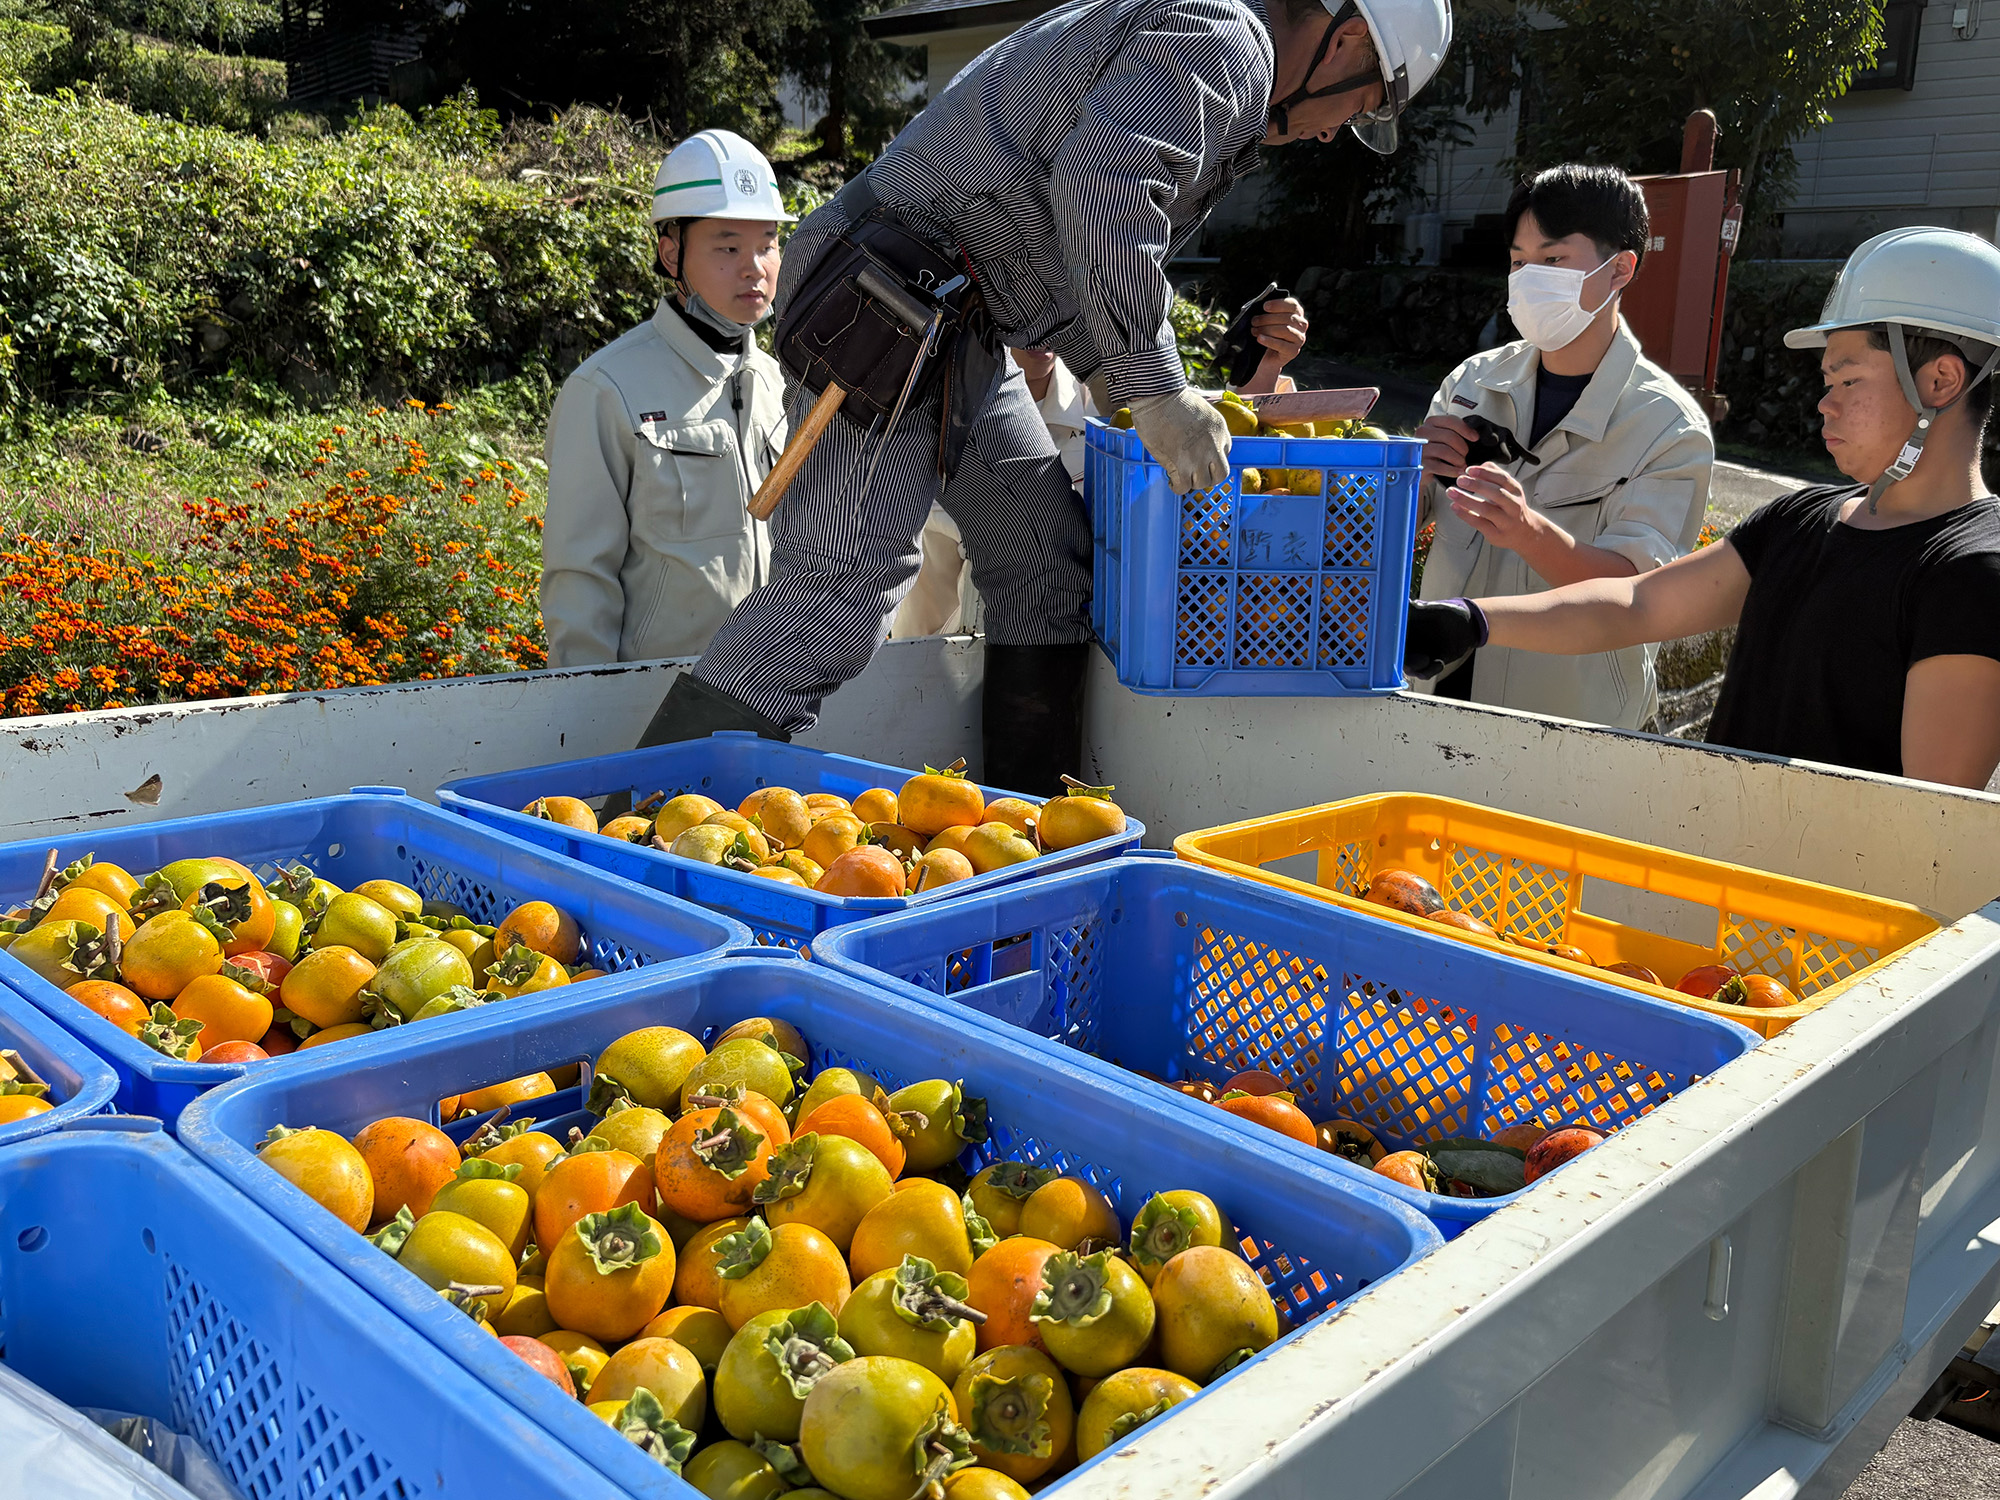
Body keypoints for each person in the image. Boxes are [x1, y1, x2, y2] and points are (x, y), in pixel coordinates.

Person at [635, 0, 1455, 796]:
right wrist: (1156, 388)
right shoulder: (1227, 39)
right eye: (1362, 107)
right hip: (889, 304)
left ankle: (1025, 831)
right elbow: (1104, 193)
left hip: (953, 319)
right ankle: (628, 835)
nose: (1329, 131)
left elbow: (1069, 253)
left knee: (1041, 558)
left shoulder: (1211, 41)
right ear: (1345, 41)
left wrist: (1134, 384)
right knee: (841, 586)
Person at [1405, 226, 2000, 790]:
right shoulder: (1799, 521)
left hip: (1812, 898)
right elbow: (1638, 605)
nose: (1825, 404)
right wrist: (1472, 620)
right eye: (1825, 382)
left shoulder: (1973, 573)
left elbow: (1928, 827)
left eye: (1847, 381)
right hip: (1714, 879)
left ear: (1941, 382)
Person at [1410, 164, 1713, 730]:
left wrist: (1529, 532)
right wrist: (1405, 470)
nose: (1528, 279)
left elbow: (1637, 592)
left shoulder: (1669, 428)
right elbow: (1397, 521)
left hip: (1568, 723)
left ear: (1620, 268)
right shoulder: (1472, 384)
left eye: (1552, 260)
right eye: (1518, 262)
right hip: (1438, 691)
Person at [891, 294, 1310, 638]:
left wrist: (1267, 362)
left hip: (1082, 639)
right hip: (933, 651)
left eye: (1061, 299)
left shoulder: (1112, 396)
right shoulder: (934, 401)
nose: (1042, 319)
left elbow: (1211, 439)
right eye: (1027, 298)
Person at [539, 130, 792, 667]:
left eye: (768, 244)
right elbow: (580, 578)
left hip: (774, 691)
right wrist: (593, 718)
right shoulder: (606, 390)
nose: (755, 267)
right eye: (727, 247)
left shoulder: (781, 384)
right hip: (652, 704)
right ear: (670, 252)